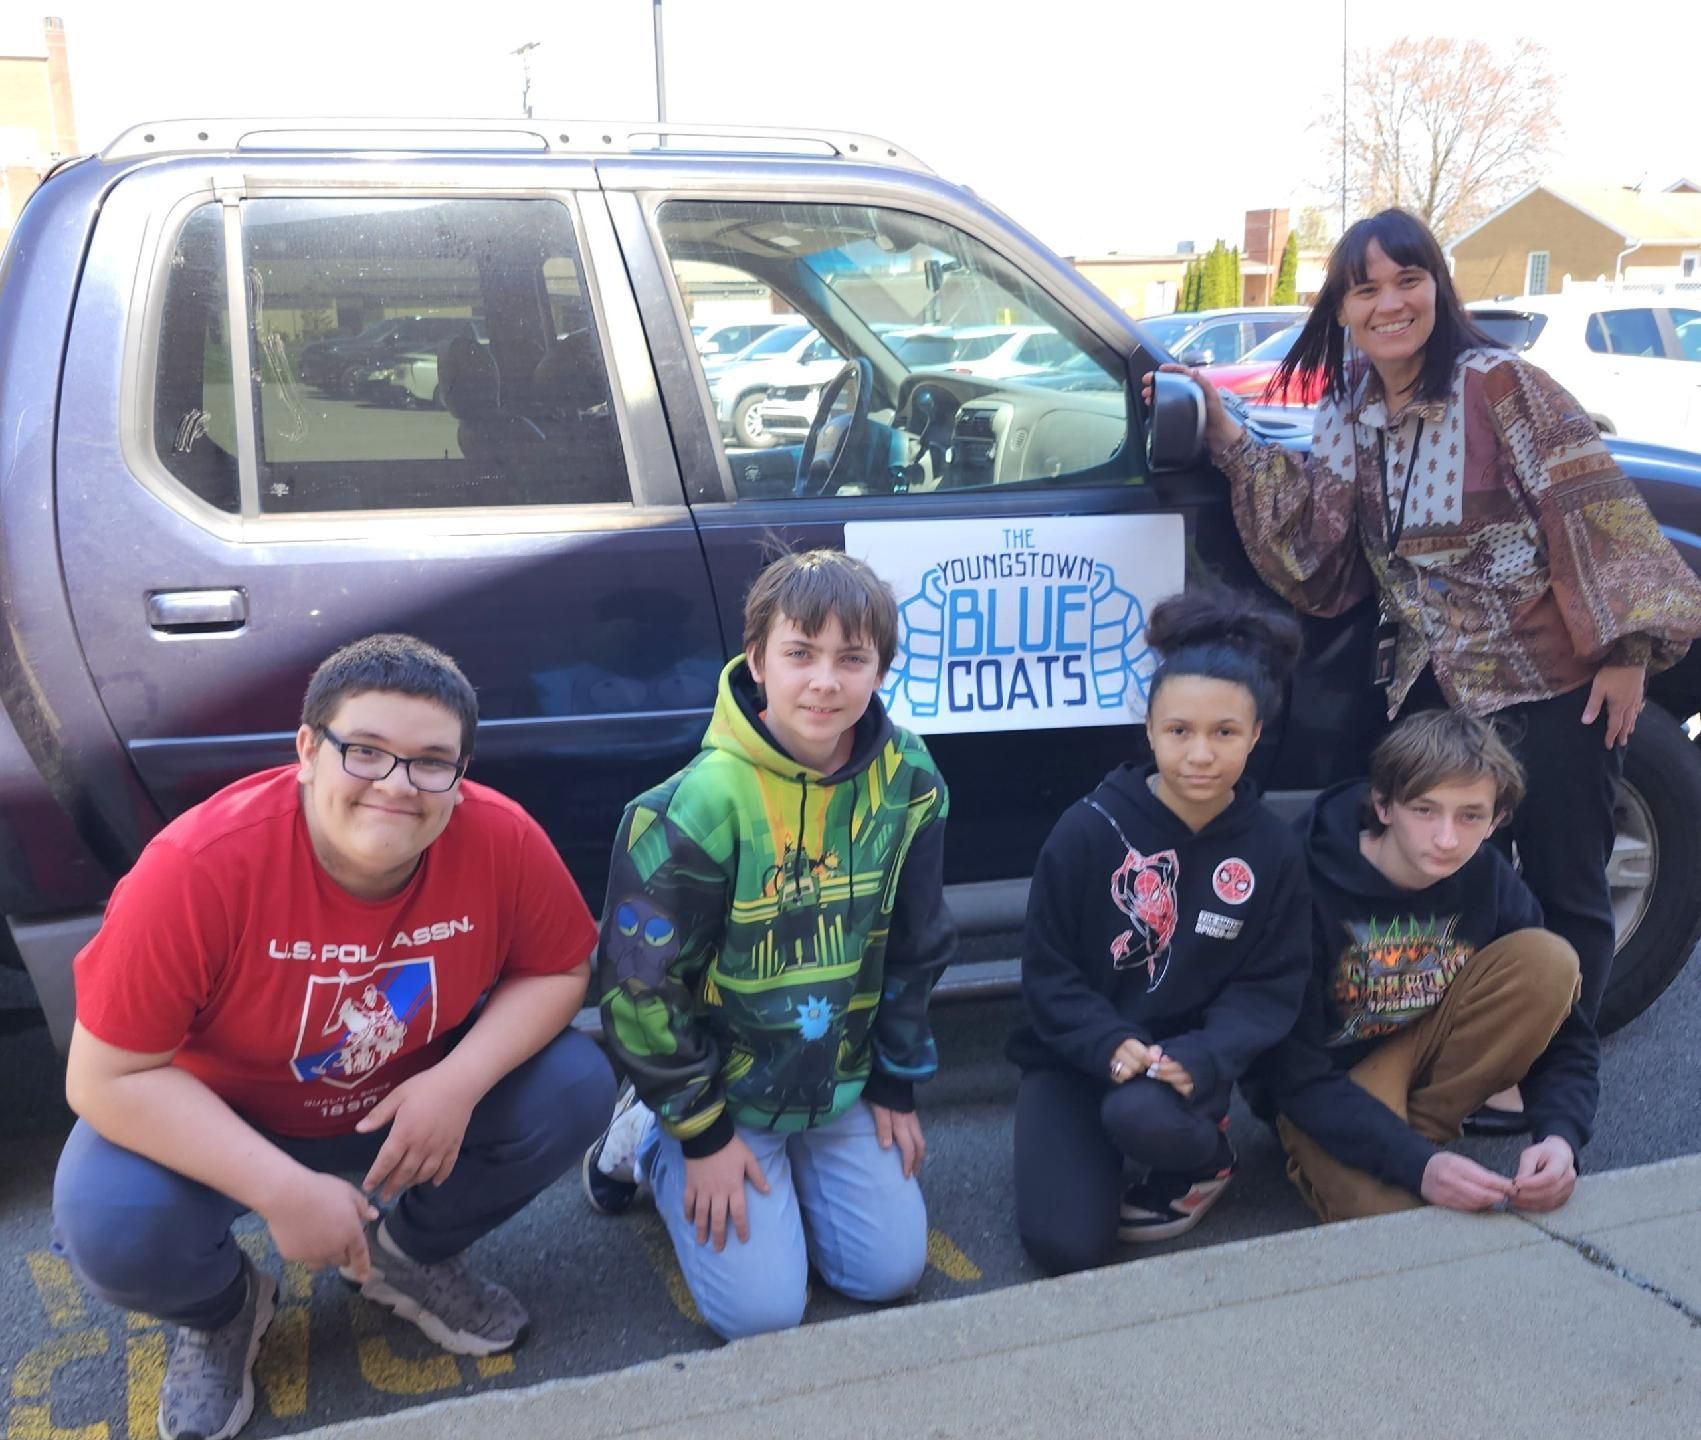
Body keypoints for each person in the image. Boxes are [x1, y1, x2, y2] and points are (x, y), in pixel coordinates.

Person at [1148, 207, 1701, 1135]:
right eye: (1365, 288)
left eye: (1406, 280)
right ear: (1343, 308)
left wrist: (1624, 653)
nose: (1389, 302)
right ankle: (1466, 1051)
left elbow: (1588, 506)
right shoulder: (1349, 406)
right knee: (1444, 880)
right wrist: (1229, 439)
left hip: (1548, 678)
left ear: (1436, 287)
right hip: (1428, 690)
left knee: (1568, 883)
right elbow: (1316, 542)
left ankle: (1550, 1076)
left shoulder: (1501, 386)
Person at [52, 634, 614, 1440]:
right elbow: (104, 1078)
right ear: (309, 750)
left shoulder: (500, 837)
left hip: (404, 1105)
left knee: (574, 1087)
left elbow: (561, 969)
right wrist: (281, 1191)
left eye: (431, 762)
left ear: (459, 776)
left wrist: (457, 1084)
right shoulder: (197, 867)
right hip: (230, 1115)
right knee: (107, 1218)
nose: (397, 784)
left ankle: (407, 1258)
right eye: (367, 751)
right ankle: (222, 1312)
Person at [580, 549, 957, 1341]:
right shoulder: (693, 805)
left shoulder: (911, 777)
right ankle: (645, 1136)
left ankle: (809, 1164)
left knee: (886, 1274)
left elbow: (917, 942)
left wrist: (895, 1082)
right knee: (762, 1315)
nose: (825, 680)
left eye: (851, 658)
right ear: (756, 660)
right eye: (800, 653)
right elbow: (637, 991)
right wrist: (703, 1132)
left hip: (840, 1075)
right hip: (724, 1083)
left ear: (880, 668)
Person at [1008, 586, 1312, 1275]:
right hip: (1073, 1053)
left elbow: (1269, 986)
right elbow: (1047, 975)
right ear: (1147, 730)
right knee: (1064, 1246)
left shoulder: (1271, 849)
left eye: (1224, 733)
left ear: (1256, 734)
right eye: (1179, 731)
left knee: (1139, 1118)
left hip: (1176, 1066)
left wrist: (1203, 1056)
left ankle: (1207, 1159)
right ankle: (1079, 1143)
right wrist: (1105, 1041)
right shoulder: (1086, 830)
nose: (1199, 754)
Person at [1252, 708, 1586, 1219]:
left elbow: (1568, 1033)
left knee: (1548, 960)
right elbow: (1290, 1071)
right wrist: (1418, 1167)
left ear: (1497, 819)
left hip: (1418, 1046)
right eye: (1425, 811)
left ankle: (1413, 1136)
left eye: (1470, 815)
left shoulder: (1490, 878)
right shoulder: (1300, 879)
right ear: (1383, 805)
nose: (1447, 838)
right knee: (1390, 1219)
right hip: (1325, 1083)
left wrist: (1562, 1137)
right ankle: (1339, 1153)